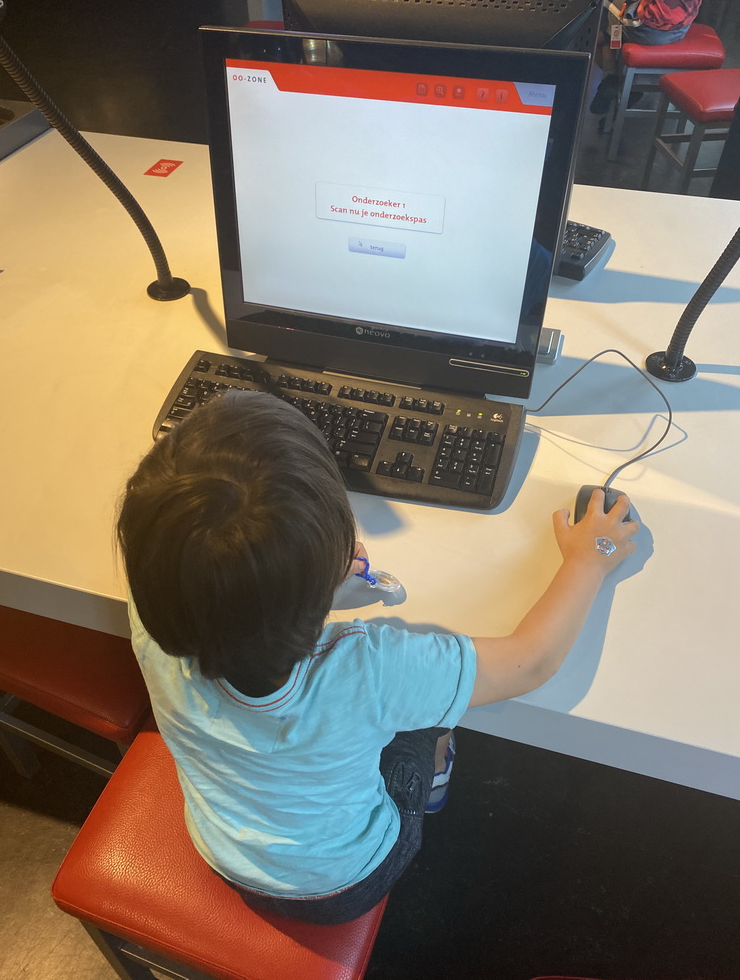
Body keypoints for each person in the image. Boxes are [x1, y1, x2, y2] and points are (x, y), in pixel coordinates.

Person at [116, 390, 639, 925]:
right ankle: (431, 783)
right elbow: (533, 662)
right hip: (345, 881)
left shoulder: (156, 607)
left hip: (223, 851)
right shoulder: (375, 667)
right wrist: (588, 561)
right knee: (430, 715)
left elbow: (224, 594)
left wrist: (302, 586)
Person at [591, 0, 740, 115]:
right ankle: (618, 78)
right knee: (613, 24)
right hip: (681, 28)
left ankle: (611, 75)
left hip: (648, 29)